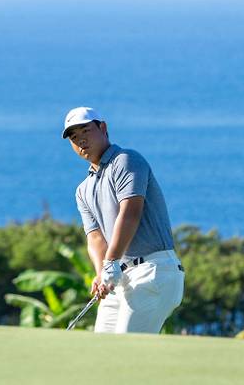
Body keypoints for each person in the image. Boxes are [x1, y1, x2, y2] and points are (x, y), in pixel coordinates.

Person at [62, 106, 184, 333]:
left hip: (153, 270)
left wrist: (110, 263)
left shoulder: (127, 160)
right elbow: (95, 238)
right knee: (103, 354)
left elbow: (130, 213)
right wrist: (101, 273)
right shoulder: (83, 189)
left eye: (85, 131)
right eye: (74, 137)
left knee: (127, 355)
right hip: (119, 276)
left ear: (103, 128)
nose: (81, 141)